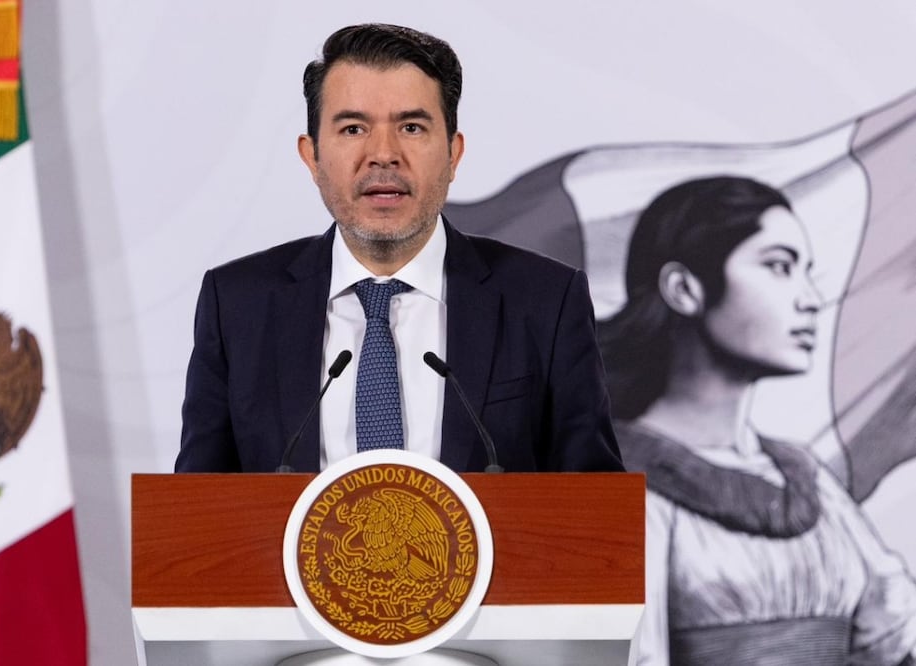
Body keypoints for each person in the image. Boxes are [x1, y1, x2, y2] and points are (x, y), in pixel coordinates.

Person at [175, 23, 623, 474]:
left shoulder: (546, 301)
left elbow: (595, 502)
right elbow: (195, 504)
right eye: (353, 128)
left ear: (453, 154)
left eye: (411, 127)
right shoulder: (237, 304)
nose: (384, 154)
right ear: (312, 157)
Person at [599, 176, 916, 664]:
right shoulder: (605, 477)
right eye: (779, 267)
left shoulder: (805, 477)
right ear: (684, 289)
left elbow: (893, 636)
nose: (810, 298)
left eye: (806, 272)